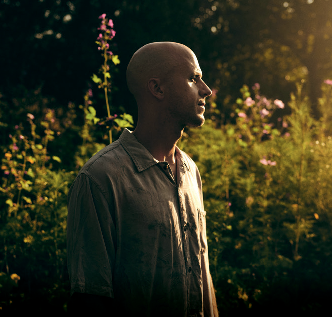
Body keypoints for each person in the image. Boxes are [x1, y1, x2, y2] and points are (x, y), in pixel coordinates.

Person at [66, 41, 218, 316]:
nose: (206, 90)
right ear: (157, 88)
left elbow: (203, 275)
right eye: (193, 78)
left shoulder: (190, 171)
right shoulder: (100, 178)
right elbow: (90, 297)